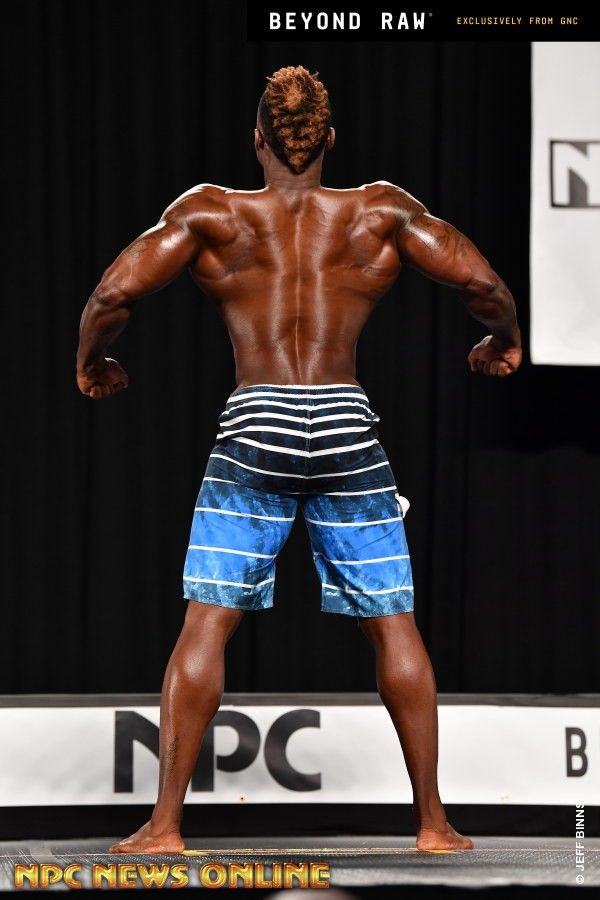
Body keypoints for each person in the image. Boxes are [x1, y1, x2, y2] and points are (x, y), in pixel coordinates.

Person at [76, 65, 522, 854]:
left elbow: (113, 294)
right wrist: (502, 340)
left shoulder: (212, 213)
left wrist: (94, 360)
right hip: (346, 425)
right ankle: (433, 825)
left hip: (257, 424)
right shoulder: (379, 210)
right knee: (393, 622)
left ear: (258, 140)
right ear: (329, 140)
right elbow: (482, 283)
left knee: (207, 621)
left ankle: (165, 827)